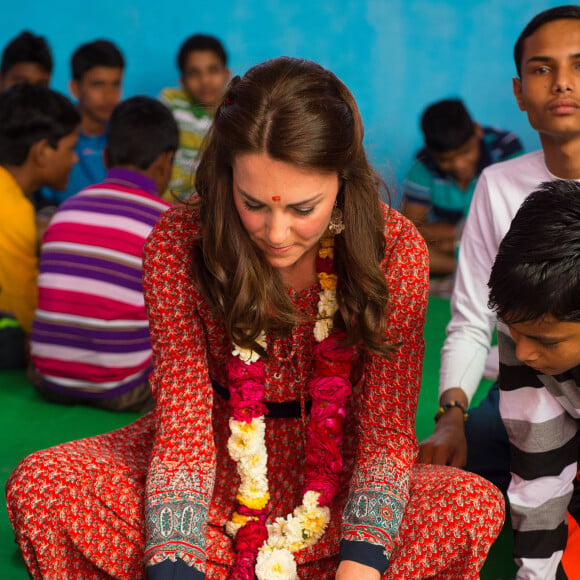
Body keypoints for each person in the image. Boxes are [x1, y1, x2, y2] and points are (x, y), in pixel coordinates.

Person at [6, 57, 503, 580]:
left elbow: (384, 432)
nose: (277, 232)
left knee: (471, 505)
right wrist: (176, 562)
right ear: (226, 179)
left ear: (342, 179)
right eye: (254, 204)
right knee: (43, 485)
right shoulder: (179, 243)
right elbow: (183, 429)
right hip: (212, 468)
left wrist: (359, 566)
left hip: (339, 478)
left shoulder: (392, 246)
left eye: (302, 208)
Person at [419, 4, 580, 496]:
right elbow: (472, 317)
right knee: (446, 479)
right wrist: (451, 415)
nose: (562, 83)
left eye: (579, 65)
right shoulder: (498, 185)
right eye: (541, 69)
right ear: (519, 93)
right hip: (528, 385)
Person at [28, 96, 177, 412]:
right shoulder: (168, 223)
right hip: (124, 388)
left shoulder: (67, 210)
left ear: (106, 157)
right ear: (166, 162)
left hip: (49, 379)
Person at [488, 180, 580, 579]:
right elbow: (540, 462)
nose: (522, 353)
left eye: (545, 341)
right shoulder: (527, 317)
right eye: (513, 332)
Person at [0, 84, 79, 369]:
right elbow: (24, 303)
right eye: (71, 148)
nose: (75, 158)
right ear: (42, 151)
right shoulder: (13, 207)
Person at [402, 98, 522, 277]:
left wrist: (453, 240)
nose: (459, 165)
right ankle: (475, 272)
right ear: (430, 150)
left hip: (498, 244)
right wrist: (463, 239)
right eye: (445, 159)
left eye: (466, 152)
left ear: (477, 131)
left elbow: (516, 221)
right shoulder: (423, 164)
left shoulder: (504, 149)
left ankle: (470, 269)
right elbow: (409, 229)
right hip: (467, 255)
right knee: (403, 250)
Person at [41, 39, 124, 206]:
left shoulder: (125, 135)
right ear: (75, 88)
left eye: (116, 84)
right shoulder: (53, 135)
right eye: (98, 85)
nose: (109, 95)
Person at [160, 33, 230, 200]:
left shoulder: (238, 114)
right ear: (182, 81)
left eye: (213, 70)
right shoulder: (172, 104)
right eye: (194, 73)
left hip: (210, 205)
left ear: (227, 74)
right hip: (167, 203)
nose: (205, 80)